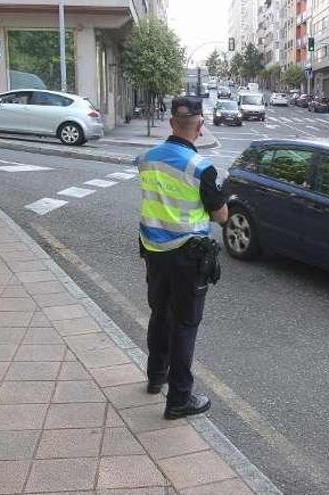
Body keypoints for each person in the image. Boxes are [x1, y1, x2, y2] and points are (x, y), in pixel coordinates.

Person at [137, 96, 229, 420]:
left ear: (170, 123)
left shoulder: (147, 158)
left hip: (153, 252)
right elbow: (221, 215)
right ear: (200, 126)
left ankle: (155, 376)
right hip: (187, 257)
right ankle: (179, 399)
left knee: (159, 314)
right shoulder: (200, 168)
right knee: (185, 325)